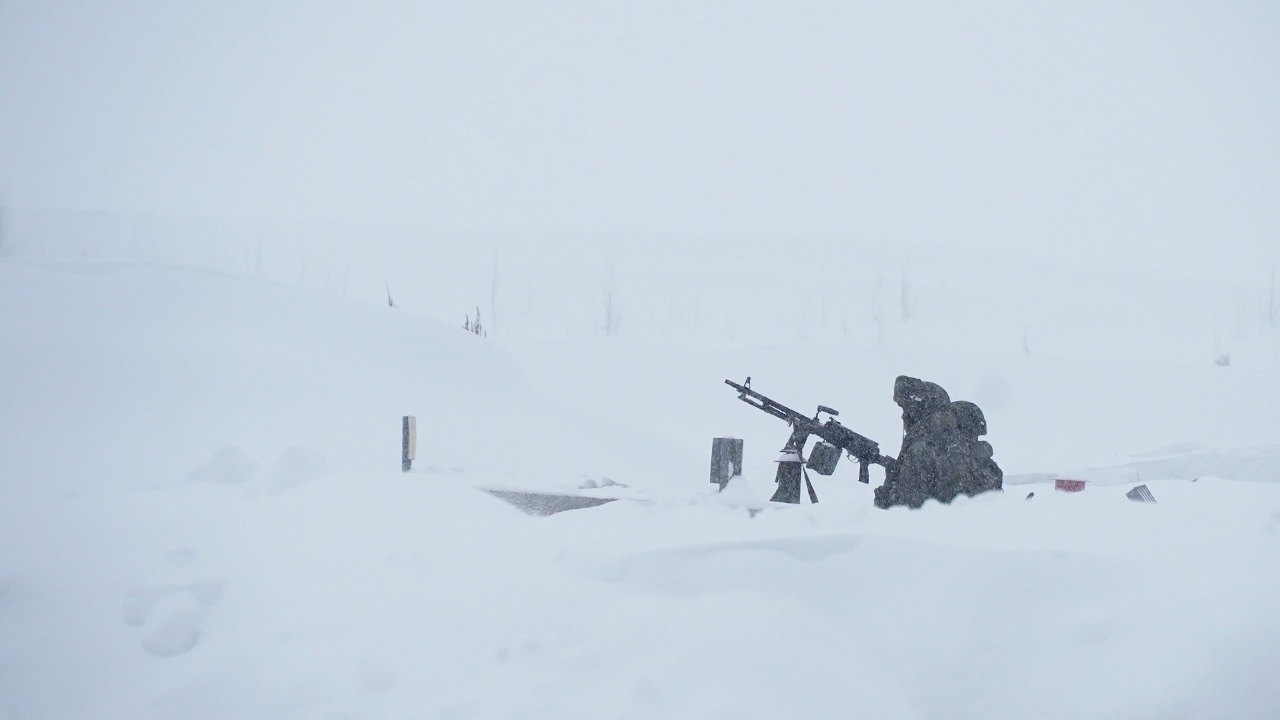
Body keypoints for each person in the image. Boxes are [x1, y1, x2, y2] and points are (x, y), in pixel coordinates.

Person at [874, 376, 1002, 509]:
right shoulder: (962, 448)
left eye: (907, 410)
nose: (903, 416)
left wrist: (887, 496)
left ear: (918, 411)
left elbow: (907, 510)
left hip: (938, 527)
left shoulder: (921, 450)